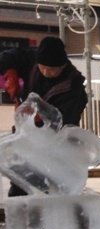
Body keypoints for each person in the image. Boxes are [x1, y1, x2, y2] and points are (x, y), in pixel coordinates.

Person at [1, 36, 89, 197]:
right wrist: (10, 73)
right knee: (19, 188)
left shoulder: (74, 87)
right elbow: (8, 56)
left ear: (63, 66)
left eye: (53, 69)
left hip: (55, 147)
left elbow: (65, 120)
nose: (47, 72)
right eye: (43, 68)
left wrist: (38, 117)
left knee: (49, 191)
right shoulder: (31, 60)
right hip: (26, 141)